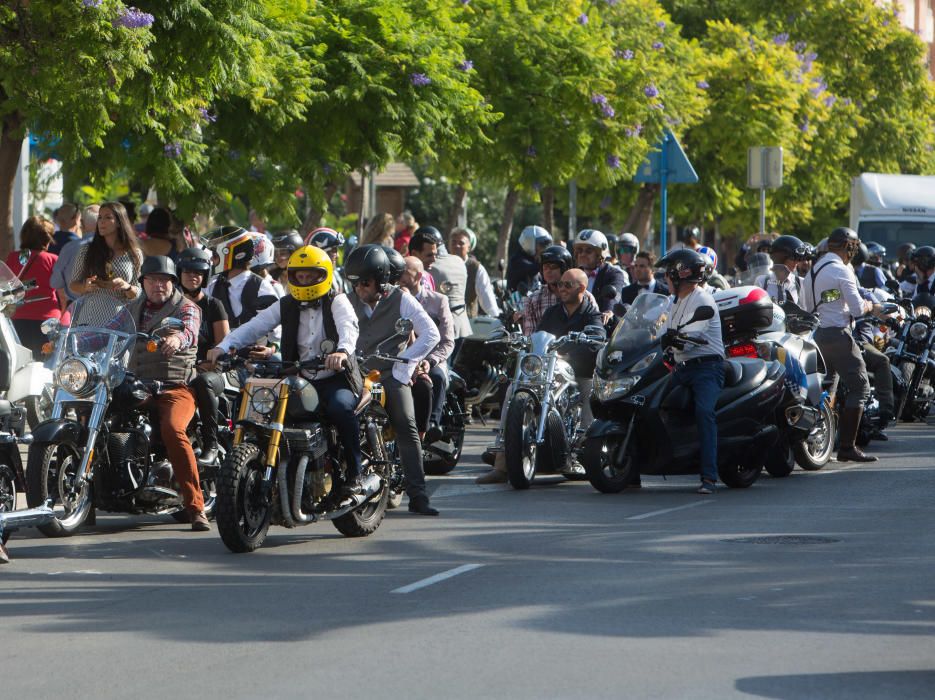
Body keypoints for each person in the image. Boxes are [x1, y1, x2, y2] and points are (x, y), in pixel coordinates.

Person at [206, 246, 368, 497]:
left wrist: (343, 352)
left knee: (340, 408)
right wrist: (223, 346)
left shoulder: (337, 300)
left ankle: (355, 474)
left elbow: (349, 328)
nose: (304, 281)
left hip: (336, 378)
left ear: (322, 275)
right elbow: (254, 326)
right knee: (273, 415)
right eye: (299, 276)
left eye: (310, 276)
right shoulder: (286, 304)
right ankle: (288, 477)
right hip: (301, 379)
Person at [344, 244, 441, 515]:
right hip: (355, 374)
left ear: (381, 280)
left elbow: (430, 335)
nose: (359, 289)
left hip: (390, 374)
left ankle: (419, 496)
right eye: (354, 283)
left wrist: (404, 366)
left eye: (365, 283)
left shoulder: (401, 299)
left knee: (407, 427)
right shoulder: (346, 299)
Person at [127, 256, 209, 530]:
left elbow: (189, 332)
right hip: (138, 385)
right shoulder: (132, 308)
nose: (158, 285)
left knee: (173, 430)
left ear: (173, 283)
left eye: (164, 280)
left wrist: (177, 338)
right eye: (152, 280)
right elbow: (108, 331)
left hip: (176, 386)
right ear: (143, 283)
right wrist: (71, 336)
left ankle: (195, 506)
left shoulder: (187, 308)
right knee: (103, 416)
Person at [800, 227, 883, 462]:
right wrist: (871, 306)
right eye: (853, 247)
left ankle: (825, 440)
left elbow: (806, 306)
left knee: (828, 389)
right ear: (848, 247)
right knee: (860, 387)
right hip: (838, 335)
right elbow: (857, 308)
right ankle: (847, 447)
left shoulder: (814, 270)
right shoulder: (842, 270)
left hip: (816, 336)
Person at [657, 248, 726, 494]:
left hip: (707, 367)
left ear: (680, 275)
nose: (664, 279)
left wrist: (674, 339)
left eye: (668, 274)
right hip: (681, 367)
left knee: (704, 412)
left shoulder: (702, 300)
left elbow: (691, 335)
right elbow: (660, 331)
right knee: (650, 402)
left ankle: (708, 476)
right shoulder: (673, 302)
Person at [178, 246, 230, 465]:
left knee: (202, 382)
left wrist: (203, 365)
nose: (193, 276)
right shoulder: (171, 305)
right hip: (176, 370)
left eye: (198, 272)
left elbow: (223, 349)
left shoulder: (213, 305)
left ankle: (211, 445)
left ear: (205, 276)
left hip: (210, 373)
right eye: (188, 271)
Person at [536, 268, 605, 431]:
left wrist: (567, 356)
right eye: (560, 284)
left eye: (567, 285)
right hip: (550, 371)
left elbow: (596, 341)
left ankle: (586, 441)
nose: (562, 288)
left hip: (579, 374)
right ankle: (504, 444)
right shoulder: (551, 312)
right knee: (516, 387)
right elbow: (539, 336)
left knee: (591, 392)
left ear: (581, 288)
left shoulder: (592, 315)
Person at [399, 256, 455, 442]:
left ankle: (431, 425)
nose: (401, 278)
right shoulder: (394, 299)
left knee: (437, 377)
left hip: (431, 358)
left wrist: (430, 361)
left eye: (406, 273)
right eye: (399, 273)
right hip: (401, 358)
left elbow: (447, 341)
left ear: (419, 276)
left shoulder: (438, 301)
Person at [69, 201, 143, 324]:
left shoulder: (134, 253)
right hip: (89, 317)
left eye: (108, 217)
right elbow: (73, 285)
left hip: (118, 321)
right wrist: (85, 286)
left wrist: (126, 287)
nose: (101, 222)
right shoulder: (87, 250)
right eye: (100, 217)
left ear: (120, 222)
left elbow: (137, 293)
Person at [409, 226, 472, 354]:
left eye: (434, 254)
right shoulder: (459, 261)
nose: (434, 259)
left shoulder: (429, 272)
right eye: (429, 255)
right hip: (459, 325)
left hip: (438, 333)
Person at [5, 216, 61, 354]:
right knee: (45, 364)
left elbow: (7, 286)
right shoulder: (53, 259)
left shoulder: (13, 257)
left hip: (18, 318)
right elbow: (62, 293)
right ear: (46, 239)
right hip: (47, 320)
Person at [206, 228, 279, 330]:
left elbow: (275, 331)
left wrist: (272, 345)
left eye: (215, 255)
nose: (211, 260)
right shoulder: (212, 285)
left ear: (234, 256)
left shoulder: (261, 287)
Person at [573, 229, 628, 320]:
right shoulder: (572, 274)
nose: (582, 254)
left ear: (600, 255)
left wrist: (608, 311)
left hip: (603, 326)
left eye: (588, 251)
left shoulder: (613, 273)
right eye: (579, 250)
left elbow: (615, 294)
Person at [51, 205, 98, 310]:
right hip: (107, 309)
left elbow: (55, 282)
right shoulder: (114, 247)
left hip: (71, 306)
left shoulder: (62, 245)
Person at [448, 227, 501, 318]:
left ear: (469, 247)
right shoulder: (442, 265)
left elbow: (486, 297)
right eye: (453, 242)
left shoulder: (476, 269)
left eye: (461, 243)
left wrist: (496, 317)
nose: (456, 246)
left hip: (468, 324)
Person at [757, 234, 808, 306]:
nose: (797, 262)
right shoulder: (762, 281)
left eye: (799, 259)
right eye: (793, 258)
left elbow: (806, 312)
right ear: (780, 258)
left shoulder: (801, 282)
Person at [507, 225, 552, 292]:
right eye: (542, 244)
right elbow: (531, 269)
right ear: (529, 243)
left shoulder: (535, 260)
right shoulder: (517, 260)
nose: (544, 248)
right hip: (517, 301)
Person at [307, 227, 348, 293]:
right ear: (322, 253)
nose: (337, 256)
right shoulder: (309, 280)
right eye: (334, 250)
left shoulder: (335, 274)